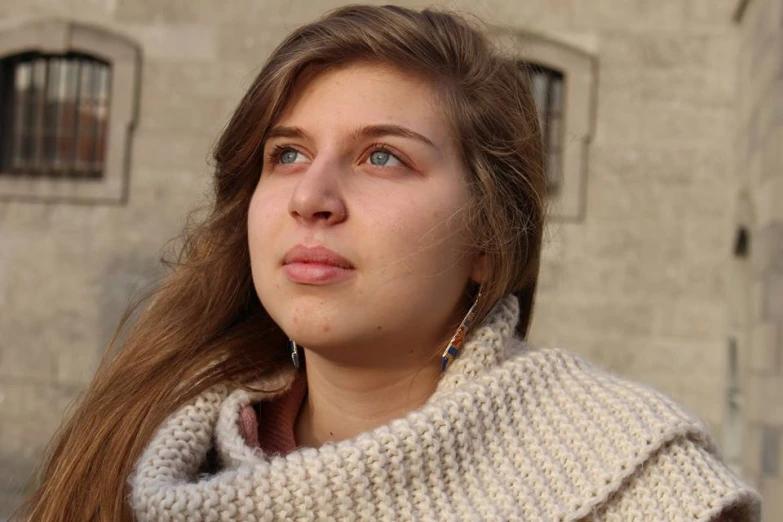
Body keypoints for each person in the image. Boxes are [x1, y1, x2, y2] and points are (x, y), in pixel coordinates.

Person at [17, 5, 760, 521]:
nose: (311, 195)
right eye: (287, 154)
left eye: (382, 156)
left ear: (488, 240)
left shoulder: (634, 482)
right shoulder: (135, 449)